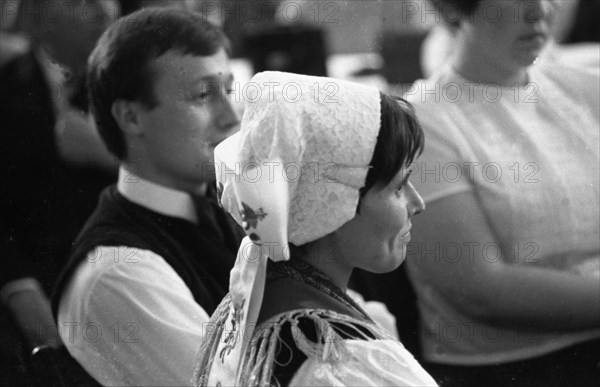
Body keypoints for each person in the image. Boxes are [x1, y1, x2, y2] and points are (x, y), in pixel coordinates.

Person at [194, 71, 436, 386]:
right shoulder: (337, 360)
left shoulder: (250, 301)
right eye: (398, 188)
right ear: (335, 206)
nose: (418, 204)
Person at [404, 1, 600, 386]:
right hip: (513, 369)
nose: (539, 11)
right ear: (453, 11)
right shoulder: (424, 121)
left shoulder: (585, 89)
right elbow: (481, 289)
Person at [51, 8, 245, 386]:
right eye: (204, 94)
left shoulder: (234, 211)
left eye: (230, 90)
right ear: (131, 118)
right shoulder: (118, 272)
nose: (231, 117)